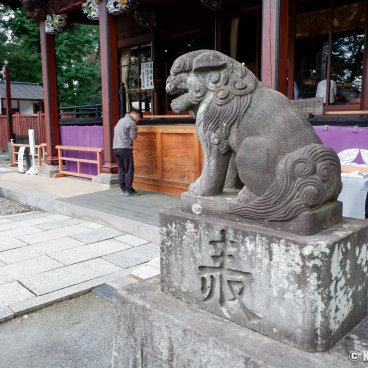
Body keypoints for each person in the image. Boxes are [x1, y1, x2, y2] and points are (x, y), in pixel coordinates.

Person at [113, 108, 142, 196]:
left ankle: (124, 190)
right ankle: (129, 190)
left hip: (116, 148)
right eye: (138, 119)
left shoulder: (120, 121)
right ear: (136, 115)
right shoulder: (132, 122)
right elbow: (133, 137)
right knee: (129, 170)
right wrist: (136, 129)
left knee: (121, 170)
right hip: (125, 149)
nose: (137, 121)